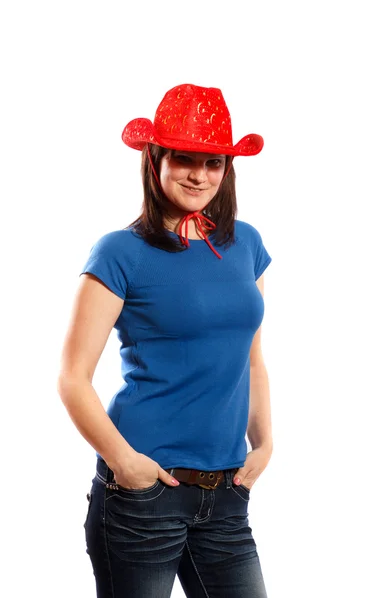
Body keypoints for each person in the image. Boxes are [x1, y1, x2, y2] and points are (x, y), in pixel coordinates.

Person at [57, 83, 273, 598]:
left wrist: (265, 443)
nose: (199, 175)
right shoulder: (119, 253)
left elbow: (252, 359)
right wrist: (125, 463)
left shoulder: (246, 244)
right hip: (144, 493)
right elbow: (72, 378)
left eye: (214, 162)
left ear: (228, 169)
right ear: (156, 160)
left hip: (226, 494)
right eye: (184, 159)